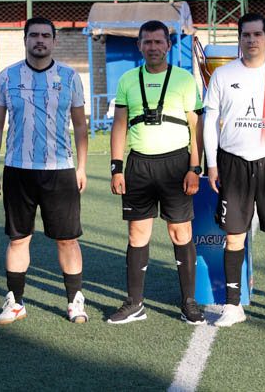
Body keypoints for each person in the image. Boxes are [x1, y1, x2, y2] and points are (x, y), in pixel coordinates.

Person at [203, 12, 265, 329]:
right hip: (232, 163)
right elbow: (210, 120)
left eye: (257, 35)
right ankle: (233, 306)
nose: (251, 40)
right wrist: (211, 163)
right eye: (245, 35)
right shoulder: (222, 75)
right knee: (233, 237)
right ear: (240, 39)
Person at [0, 16, 89, 325]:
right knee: (19, 239)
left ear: (54, 41)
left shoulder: (70, 77)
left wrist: (82, 167)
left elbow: (80, 125)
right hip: (18, 169)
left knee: (67, 239)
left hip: (60, 170)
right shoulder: (7, 77)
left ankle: (74, 301)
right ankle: (15, 302)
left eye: (45, 35)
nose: (40, 40)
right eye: (34, 35)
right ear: (25, 40)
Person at [107, 20, 206, 326]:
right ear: (139, 46)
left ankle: (188, 302)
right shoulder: (127, 80)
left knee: (180, 232)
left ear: (168, 45)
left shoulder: (184, 79)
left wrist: (194, 167)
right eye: (147, 42)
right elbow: (119, 125)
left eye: (158, 42)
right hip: (139, 165)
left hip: (176, 165)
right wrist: (116, 167)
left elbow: (195, 126)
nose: (153, 47)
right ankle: (135, 303)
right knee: (138, 234)